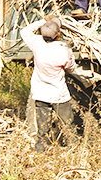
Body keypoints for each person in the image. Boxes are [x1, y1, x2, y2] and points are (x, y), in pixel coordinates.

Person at [20, 15, 76, 153]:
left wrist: (42, 21)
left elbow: (25, 31)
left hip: (40, 94)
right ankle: (73, 149)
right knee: (68, 124)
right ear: (58, 34)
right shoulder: (63, 51)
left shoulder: (36, 43)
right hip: (59, 95)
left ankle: (41, 150)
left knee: (42, 126)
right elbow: (71, 68)